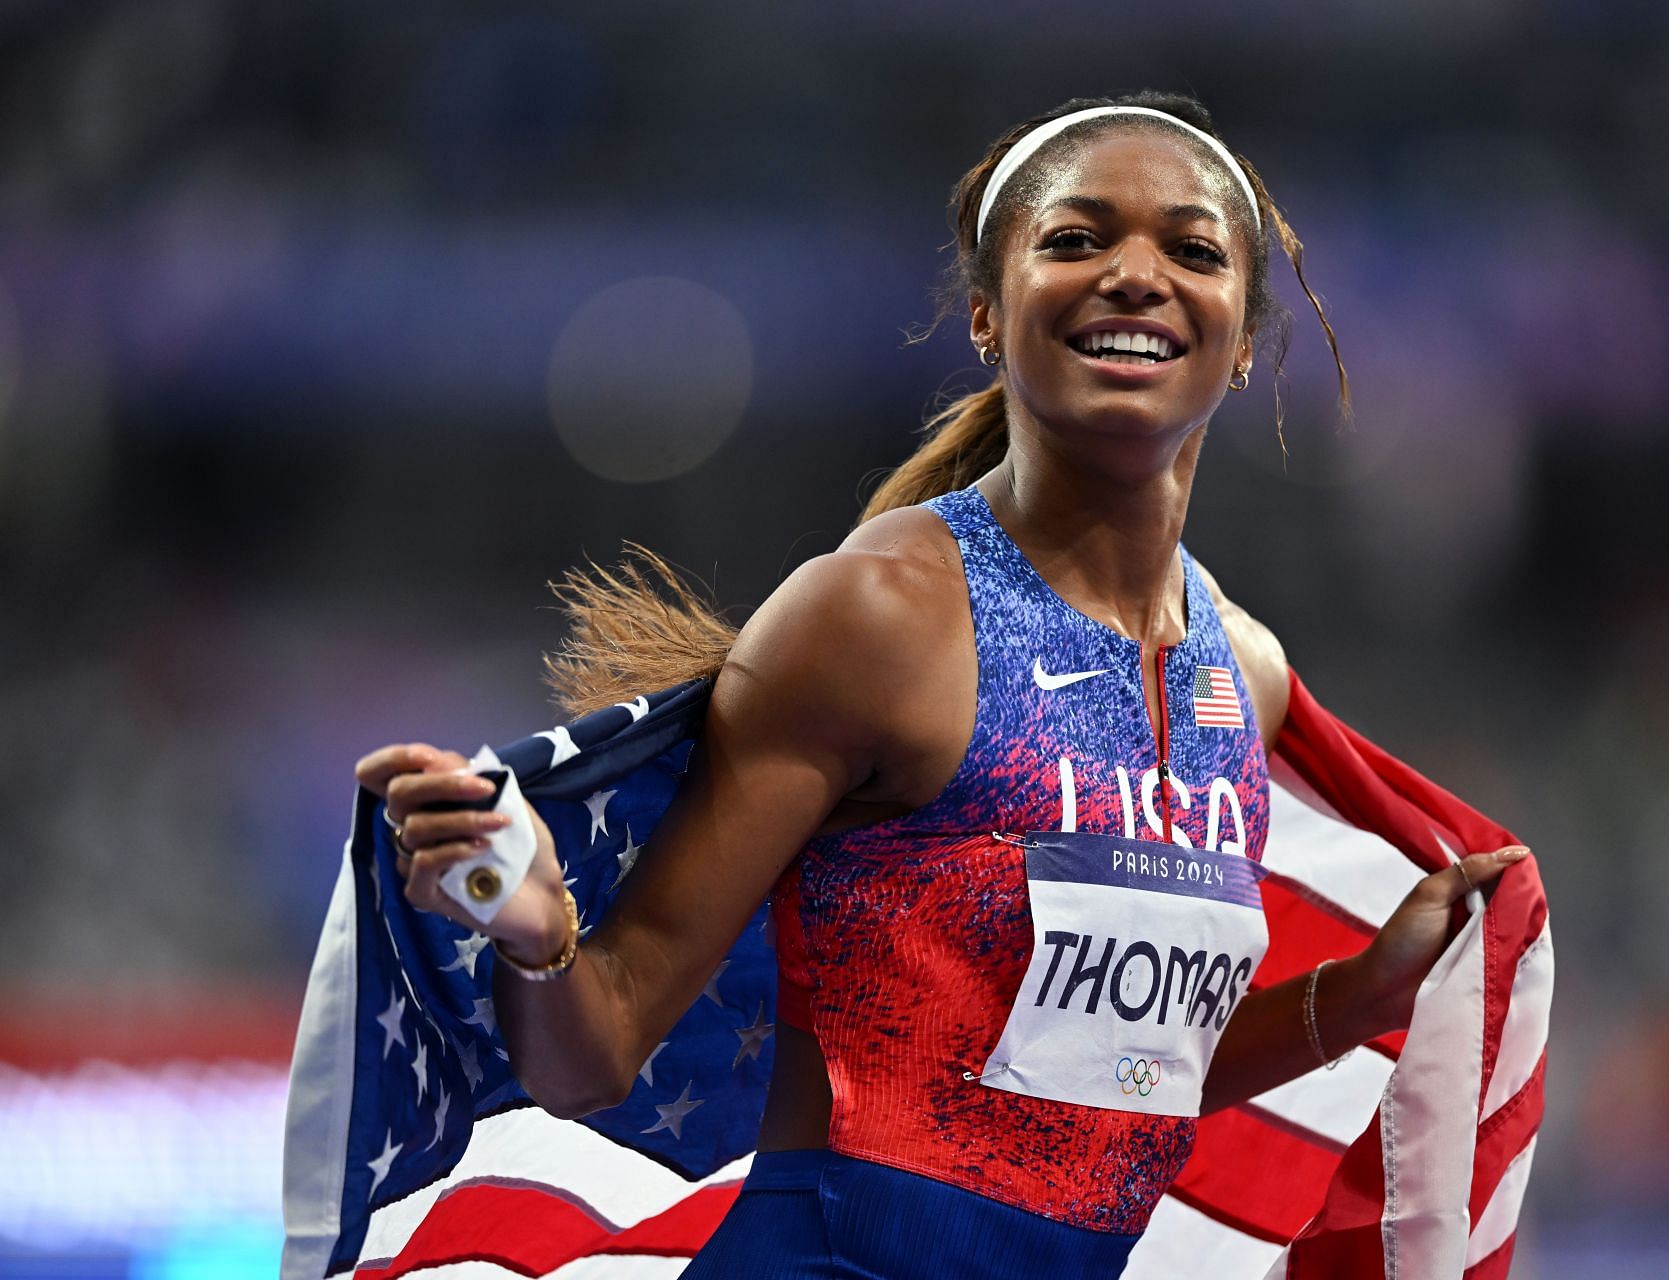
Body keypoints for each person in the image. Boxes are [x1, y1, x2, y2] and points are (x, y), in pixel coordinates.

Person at [354, 91, 1531, 1278]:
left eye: (1191, 249)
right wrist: (538, 929)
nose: (1134, 274)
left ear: (1238, 341)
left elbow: (1123, 1083)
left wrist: (1362, 987)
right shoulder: (881, 617)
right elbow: (596, 1050)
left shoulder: (1248, 673)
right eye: (1075, 241)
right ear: (985, 311)